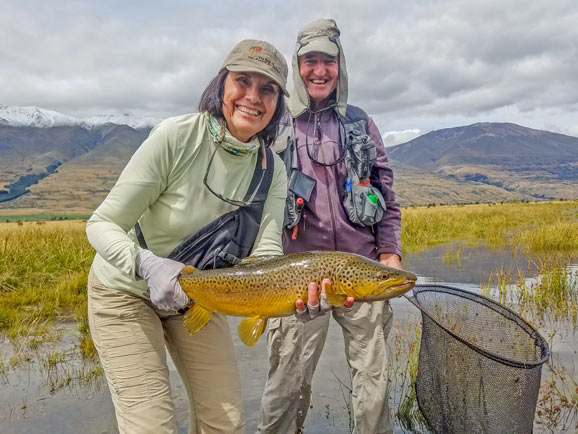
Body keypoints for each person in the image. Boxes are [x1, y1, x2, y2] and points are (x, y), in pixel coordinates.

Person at [85, 39, 294, 434]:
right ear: (221, 86)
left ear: (278, 105)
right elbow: (101, 224)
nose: (253, 97)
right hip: (124, 291)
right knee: (152, 426)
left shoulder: (273, 170)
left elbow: (266, 253)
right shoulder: (175, 137)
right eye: (243, 81)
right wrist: (147, 264)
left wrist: (290, 294)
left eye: (267, 89)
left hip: (200, 293)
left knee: (227, 423)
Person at [257, 19, 403, 434]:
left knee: (373, 386)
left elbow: (386, 194)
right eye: (309, 61)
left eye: (328, 61)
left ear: (341, 65)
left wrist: (389, 252)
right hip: (297, 279)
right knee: (285, 386)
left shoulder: (361, 123)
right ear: (297, 66)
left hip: (363, 271)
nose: (319, 70)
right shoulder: (275, 124)